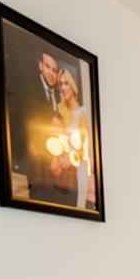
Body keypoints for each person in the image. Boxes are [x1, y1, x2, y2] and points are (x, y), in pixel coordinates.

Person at [5, 36, 77, 207]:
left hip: (58, 171)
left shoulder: (61, 106)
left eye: (54, 69)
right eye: (48, 67)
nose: (51, 73)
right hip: (35, 166)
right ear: (40, 66)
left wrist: (66, 156)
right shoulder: (31, 91)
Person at [57, 68, 93, 209]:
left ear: (72, 86)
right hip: (64, 169)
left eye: (66, 83)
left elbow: (87, 149)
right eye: (61, 84)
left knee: (78, 205)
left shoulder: (81, 113)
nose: (64, 88)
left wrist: (71, 158)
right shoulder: (60, 109)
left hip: (79, 168)